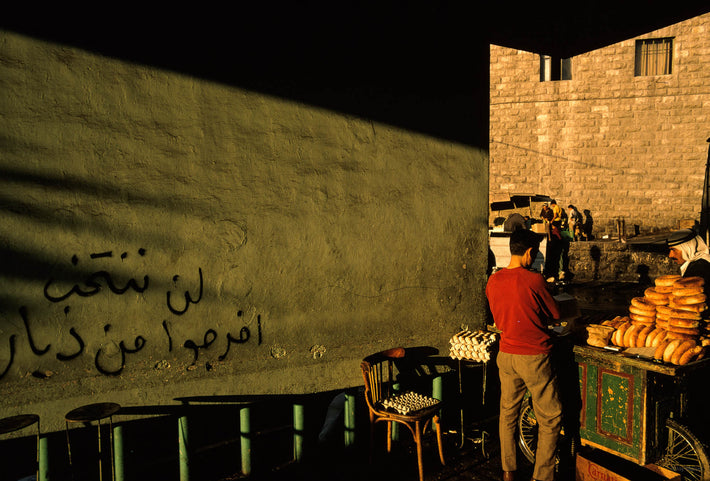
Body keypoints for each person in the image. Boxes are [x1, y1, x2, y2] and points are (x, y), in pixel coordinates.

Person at [486, 229, 563, 481]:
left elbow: (499, 318)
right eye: (536, 253)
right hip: (534, 357)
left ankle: (509, 470)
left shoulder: (493, 281)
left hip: (506, 354)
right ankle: (541, 476)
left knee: (508, 412)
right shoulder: (534, 280)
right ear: (529, 252)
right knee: (550, 417)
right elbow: (555, 314)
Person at [667, 228, 710, 293]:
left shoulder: (698, 269)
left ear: (687, 249)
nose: (670, 255)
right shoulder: (701, 261)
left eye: (674, 250)